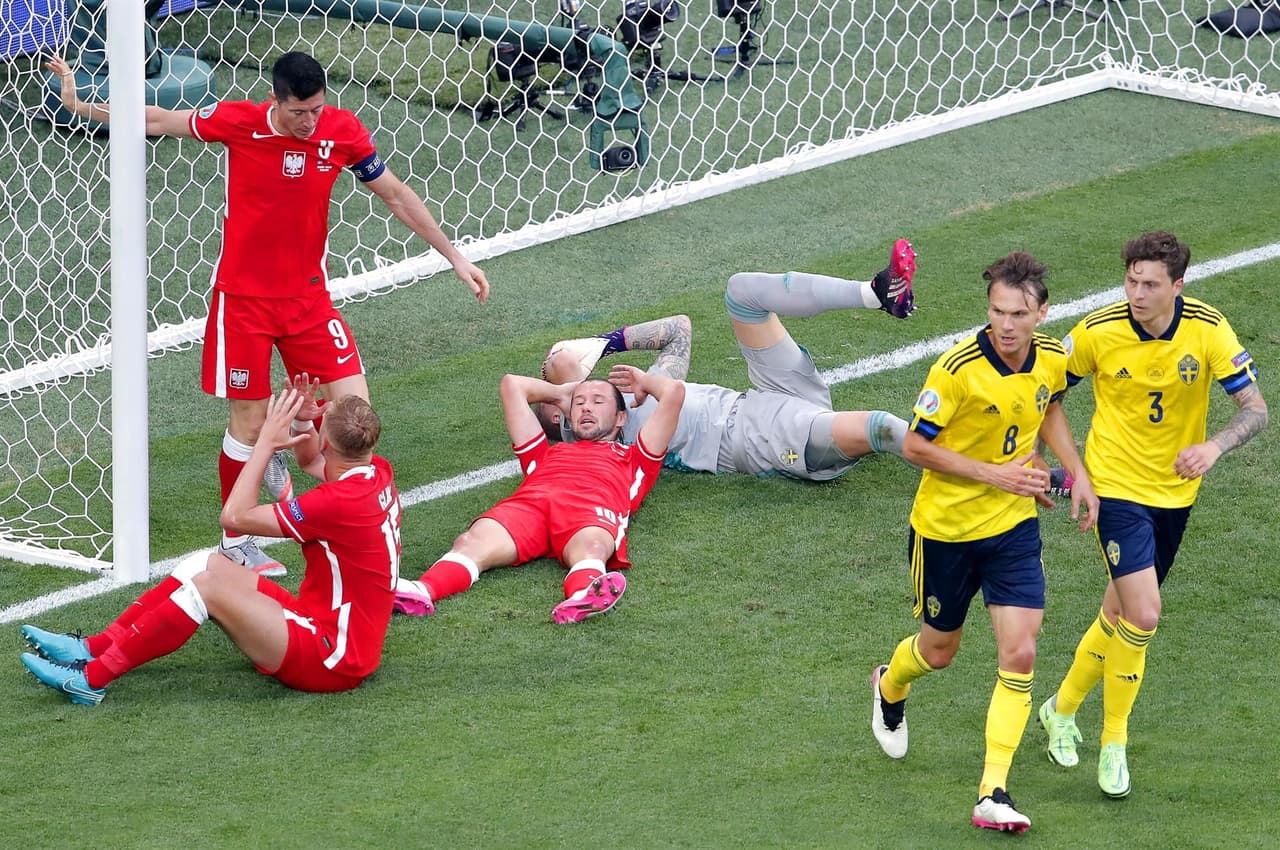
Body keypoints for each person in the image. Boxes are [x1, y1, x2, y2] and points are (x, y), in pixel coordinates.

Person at [46, 51, 488, 576]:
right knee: (249, 426)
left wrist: (455, 256)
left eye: (317, 110)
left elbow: (395, 194)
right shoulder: (239, 122)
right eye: (300, 112)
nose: (310, 122)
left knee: (357, 420)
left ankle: (345, 508)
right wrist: (79, 104)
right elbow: (156, 119)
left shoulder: (340, 131)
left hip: (309, 303)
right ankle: (236, 541)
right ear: (276, 100)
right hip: (244, 305)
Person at [868, 251, 1099, 833]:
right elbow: (916, 447)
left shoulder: (1051, 357)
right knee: (939, 651)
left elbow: (1047, 406)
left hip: (1013, 527)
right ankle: (889, 685)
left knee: (1020, 651)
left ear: (1042, 312)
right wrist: (995, 472)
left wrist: (1075, 472)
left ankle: (993, 791)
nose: (1006, 323)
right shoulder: (957, 368)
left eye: (1019, 313)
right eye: (997, 311)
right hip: (944, 530)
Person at [1036, 232, 1267, 798]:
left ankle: (1059, 710)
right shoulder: (1097, 330)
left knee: (1118, 614)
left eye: (1150, 284)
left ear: (1178, 285)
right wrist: (1057, 466)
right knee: (1143, 613)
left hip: (1175, 496)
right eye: (1131, 280)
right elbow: (1043, 392)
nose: (1137, 293)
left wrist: (1214, 447)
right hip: (1114, 489)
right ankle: (1114, 743)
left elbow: (1256, 408)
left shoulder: (1209, 329)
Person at [20, 384, 402, 705]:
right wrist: (304, 420)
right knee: (205, 564)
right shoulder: (375, 472)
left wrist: (265, 444)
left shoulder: (337, 504)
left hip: (331, 658)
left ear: (329, 443)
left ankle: (90, 680)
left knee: (206, 590)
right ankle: (90, 648)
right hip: (331, 631)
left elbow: (234, 517)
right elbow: (312, 465)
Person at [538, 239, 918, 479]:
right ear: (566, 421)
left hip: (769, 393)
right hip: (759, 439)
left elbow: (678, 329)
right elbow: (555, 368)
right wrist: (565, 379)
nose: (585, 396)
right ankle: (967, 469)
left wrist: (607, 344)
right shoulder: (618, 447)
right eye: (575, 401)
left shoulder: (638, 395)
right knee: (882, 427)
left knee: (742, 291)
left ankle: (876, 294)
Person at [393, 370, 684, 622]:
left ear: (621, 418)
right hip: (529, 507)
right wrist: (560, 393)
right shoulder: (545, 454)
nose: (586, 408)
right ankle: (422, 592)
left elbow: (674, 392)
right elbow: (512, 385)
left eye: (598, 402)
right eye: (579, 403)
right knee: (470, 542)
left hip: (589, 511)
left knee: (592, 546)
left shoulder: (634, 457)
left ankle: (584, 595)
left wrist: (644, 381)